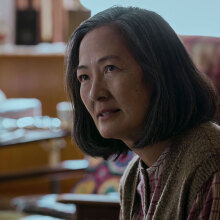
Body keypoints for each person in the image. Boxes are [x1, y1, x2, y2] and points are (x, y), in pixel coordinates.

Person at [65, 6, 220, 220]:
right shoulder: (133, 177)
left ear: (159, 73)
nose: (94, 93)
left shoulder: (211, 166)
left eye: (110, 68)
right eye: (84, 77)